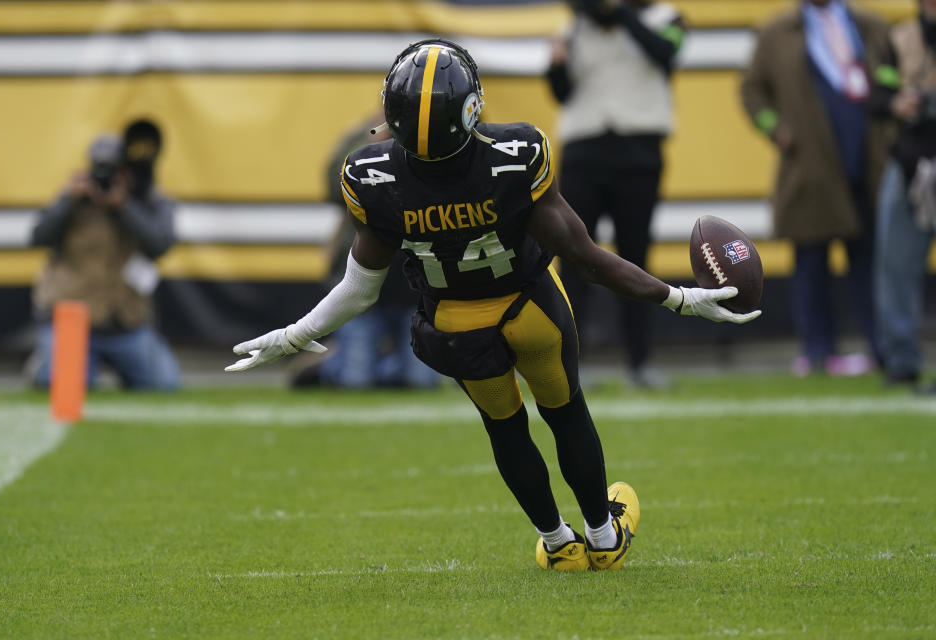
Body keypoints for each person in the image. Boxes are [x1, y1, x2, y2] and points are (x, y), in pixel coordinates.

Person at [226, 40, 759, 571]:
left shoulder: (372, 175)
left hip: (457, 325)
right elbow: (587, 257)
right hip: (530, 310)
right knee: (566, 413)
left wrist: (295, 333)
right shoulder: (516, 154)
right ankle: (601, 535)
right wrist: (680, 298)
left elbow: (361, 288)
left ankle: (557, 544)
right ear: (471, 108)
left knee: (505, 429)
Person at [741, 0, 893, 377]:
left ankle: (883, 348)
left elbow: (891, 77)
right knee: (811, 261)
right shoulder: (776, 32)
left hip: (868, 163)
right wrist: (774, 128)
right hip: (810, 168)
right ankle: (817, 351)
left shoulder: (872, 25)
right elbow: (752, 91)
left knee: (871, 262)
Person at [547, 0, 686, 388]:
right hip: (584, 152)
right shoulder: (572, 27)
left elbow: (666, 53)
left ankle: (640, 363)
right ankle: (571, 363)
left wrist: (621, 13)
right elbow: (562, 93)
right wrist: (556, 64)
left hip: (638, 154)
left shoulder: (666, 18)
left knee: (636, 257)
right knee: (573, 258)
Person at [27, 119, 181, 390]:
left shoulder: (146, 200)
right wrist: (66, 201)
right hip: (74, 322)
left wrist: (125, 207)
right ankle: (43, 362)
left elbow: (160, 244)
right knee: (63, 385)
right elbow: (37, 237)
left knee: (165, 384)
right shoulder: (74, 199)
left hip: (126, 323)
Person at [291, 114, 440, 389]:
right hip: (364, 285)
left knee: (419, 381)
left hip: (414, 288)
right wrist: (368, 148)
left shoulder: (439, 136)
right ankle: (334, 366)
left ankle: (341, 360)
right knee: (355, 380)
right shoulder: (364, 133)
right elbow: (334, 189)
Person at [873, 0, 936, 391]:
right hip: (911, 164)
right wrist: (899, 101)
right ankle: (901, 360)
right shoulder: (899, 37)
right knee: (895, 266)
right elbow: (876, 93)